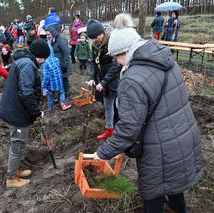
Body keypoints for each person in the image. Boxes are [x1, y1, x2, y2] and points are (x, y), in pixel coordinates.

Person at [93, 13, 202, 213]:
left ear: (127, 50)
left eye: (118, 56)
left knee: (154, 193)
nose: (117, 62)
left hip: (160, 147)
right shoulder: (166, 59)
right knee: (172, 183)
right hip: (183, 135)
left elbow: (128, 128)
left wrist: (103, 153)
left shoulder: (133, 80)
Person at [0, 39, 50, 188]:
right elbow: (26, 93)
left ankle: (15, 169)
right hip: (16, 113)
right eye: (44, 58)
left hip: (16, 110)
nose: (44, 62)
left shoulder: (24, 61)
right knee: (17, 144)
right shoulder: (28, 65)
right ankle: (11, 178)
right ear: (39, 56)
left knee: (19, 143)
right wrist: (36, 112)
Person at [86, 19, 121, 140]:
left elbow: (117, 65)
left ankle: (121, 130)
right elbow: (93, 62)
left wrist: (105, 81)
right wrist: (92, 78)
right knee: (107, 105)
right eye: (92, 38)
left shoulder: (113, 40)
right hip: (103, 80)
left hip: (116, 80)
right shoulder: (94, 44)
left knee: (119, 105)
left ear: (102, 32)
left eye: (96, 37)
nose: (94, 40)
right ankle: (110, 129)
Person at [42, 44, 72, 111]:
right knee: (62, 93)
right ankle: (63, 104)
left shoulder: (45, 63)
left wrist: (43, 86)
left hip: (50, 85)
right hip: (59, 82)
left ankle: (50, 109)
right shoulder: (56, 59)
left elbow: (46, 77)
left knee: (50, 97)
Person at [46, 24, 72, 98]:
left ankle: (65, 94)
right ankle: (61, 94)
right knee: (60, 79)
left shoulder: (61, 39)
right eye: (46, 35)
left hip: (64, 63)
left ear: (53, 33)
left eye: (48, 34)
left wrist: (64, 64)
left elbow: (66, 52)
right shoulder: (53, 40)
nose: (47, 36)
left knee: (64, 79)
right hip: (59, 63)